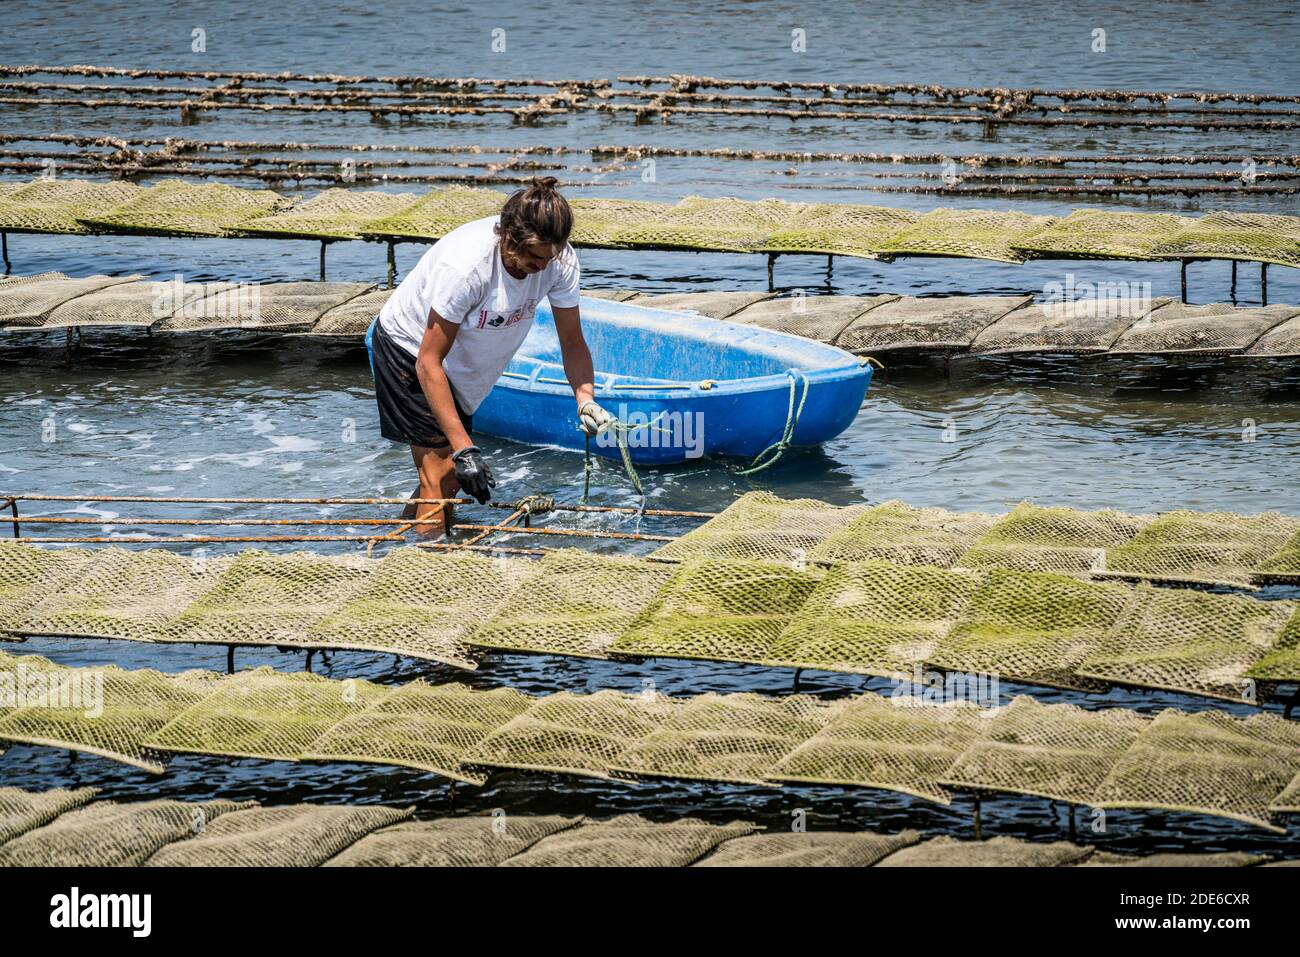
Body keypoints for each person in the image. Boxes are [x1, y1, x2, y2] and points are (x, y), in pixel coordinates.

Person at [367, 176, 614, 529]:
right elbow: (428, 361)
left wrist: (585, 398)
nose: (542, 267)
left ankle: (399, 539)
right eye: (533, 258)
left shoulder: (560, 261)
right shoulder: (467, 267)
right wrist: (464, 449)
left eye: (550, 257)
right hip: (409, 352)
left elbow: (572, 342)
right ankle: (426, 571)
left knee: (451, 479)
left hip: (457, 366)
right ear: (509, 239)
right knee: (441, 475)